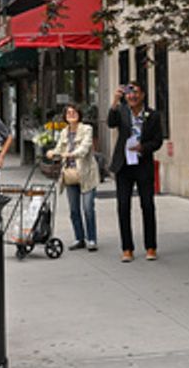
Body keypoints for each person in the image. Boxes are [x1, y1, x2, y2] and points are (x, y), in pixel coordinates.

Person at [108, 83, 164, 262]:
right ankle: (127, 248)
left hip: (143, 164)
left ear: (143, 95)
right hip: (123, 165)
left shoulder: (153, 115)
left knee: (147, 205)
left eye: (136, 93)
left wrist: (143, 147)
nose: (132, 96)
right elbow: (110, 123)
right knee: (123, 206)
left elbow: (158, 141)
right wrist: (115, 101)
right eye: (129, 93)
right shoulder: (121, 111)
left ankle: (151, 247)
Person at [48, 103, 99, 252]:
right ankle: (79, 238)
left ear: (79, 114)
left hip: (86, 174)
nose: (71, 115)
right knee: (74, 210)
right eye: (68, 113)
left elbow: (84, 148)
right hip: (69, 174)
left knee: (88, 208)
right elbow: (59, 148)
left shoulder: (87, 129)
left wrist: (70, 154)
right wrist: (52, 152)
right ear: (65, 116)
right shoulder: (64, 132)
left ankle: (91, 239)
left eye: (74, 112)